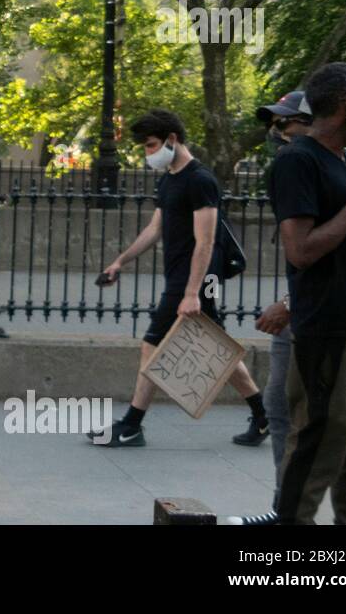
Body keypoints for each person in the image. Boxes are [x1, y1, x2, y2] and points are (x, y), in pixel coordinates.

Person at [228, 88, 346, 525]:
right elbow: (302, 252)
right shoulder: (298, 161)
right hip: (330, 331)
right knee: (316, 442)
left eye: (282, 121)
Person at [90, 109, 267, 447]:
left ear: (172, 139)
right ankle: (262, 416)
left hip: (194, 280)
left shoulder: (200, 180)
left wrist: (190, 292)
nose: (148, 152)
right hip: (187, 279)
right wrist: (120, 262)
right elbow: (154, 229)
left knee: (152, 344)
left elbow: (207, 241)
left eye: (152, 144)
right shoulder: (170, 178)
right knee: (214, 344)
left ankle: (131, 426)